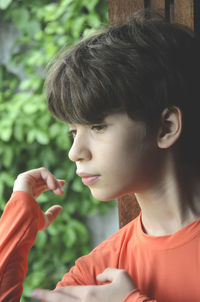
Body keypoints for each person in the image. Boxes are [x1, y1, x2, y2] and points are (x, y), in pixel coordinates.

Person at [1, 9, 200, 302]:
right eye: (73, 132)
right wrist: (14, 231)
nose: (74, 152)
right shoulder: (96, 274)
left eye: (98, 126)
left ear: (165, 127)